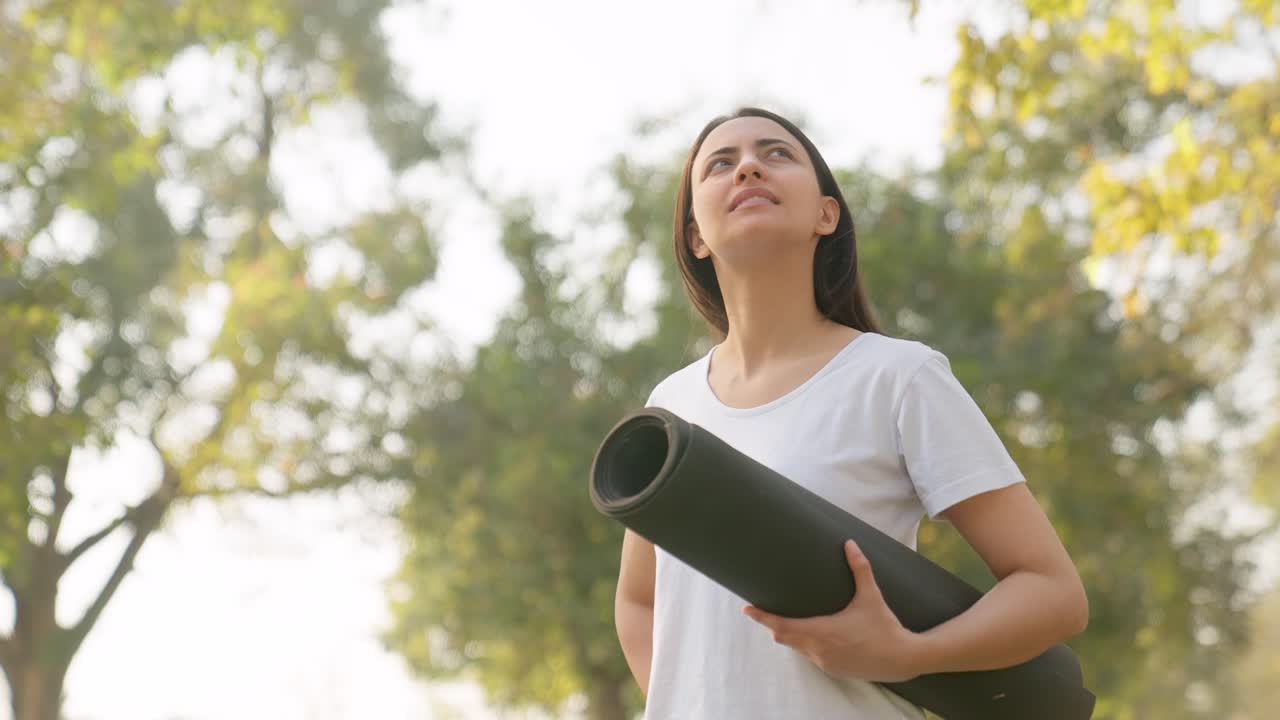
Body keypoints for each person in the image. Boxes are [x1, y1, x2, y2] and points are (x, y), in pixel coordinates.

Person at [613, 107, 1089, 719]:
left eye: (776, 154)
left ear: (824, 214)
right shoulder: (670, 406)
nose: (749, 167)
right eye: (720, 164)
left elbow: (1053, 593)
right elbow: (638, 603)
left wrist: (910, 654)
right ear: (696, 236)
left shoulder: (897, 377)